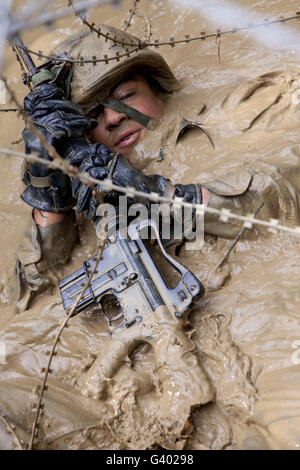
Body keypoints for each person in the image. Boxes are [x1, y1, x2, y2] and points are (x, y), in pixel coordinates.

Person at [11, 24, 300, 313]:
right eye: (93, 115)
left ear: (156, 87)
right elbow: (26, 299)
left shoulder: (237, 113)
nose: (112, 118)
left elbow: (281, 193)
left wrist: (155, 196)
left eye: (125, 97)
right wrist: (49, 196)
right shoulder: (84, 192)